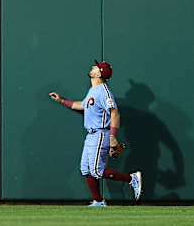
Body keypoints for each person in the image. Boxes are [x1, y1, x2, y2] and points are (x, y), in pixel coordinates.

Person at [48, 59, 143, 206]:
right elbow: (82, 105)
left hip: (100, 134)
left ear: (100, 73)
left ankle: (131, 179)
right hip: (91, 135)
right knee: (85, 169)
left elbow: (115, 113)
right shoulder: (93, 90)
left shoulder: (104, 92)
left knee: (97, 171)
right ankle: (98, 201)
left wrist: (112, 136)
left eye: (96, 67)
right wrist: (62, 101)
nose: (93, 67)